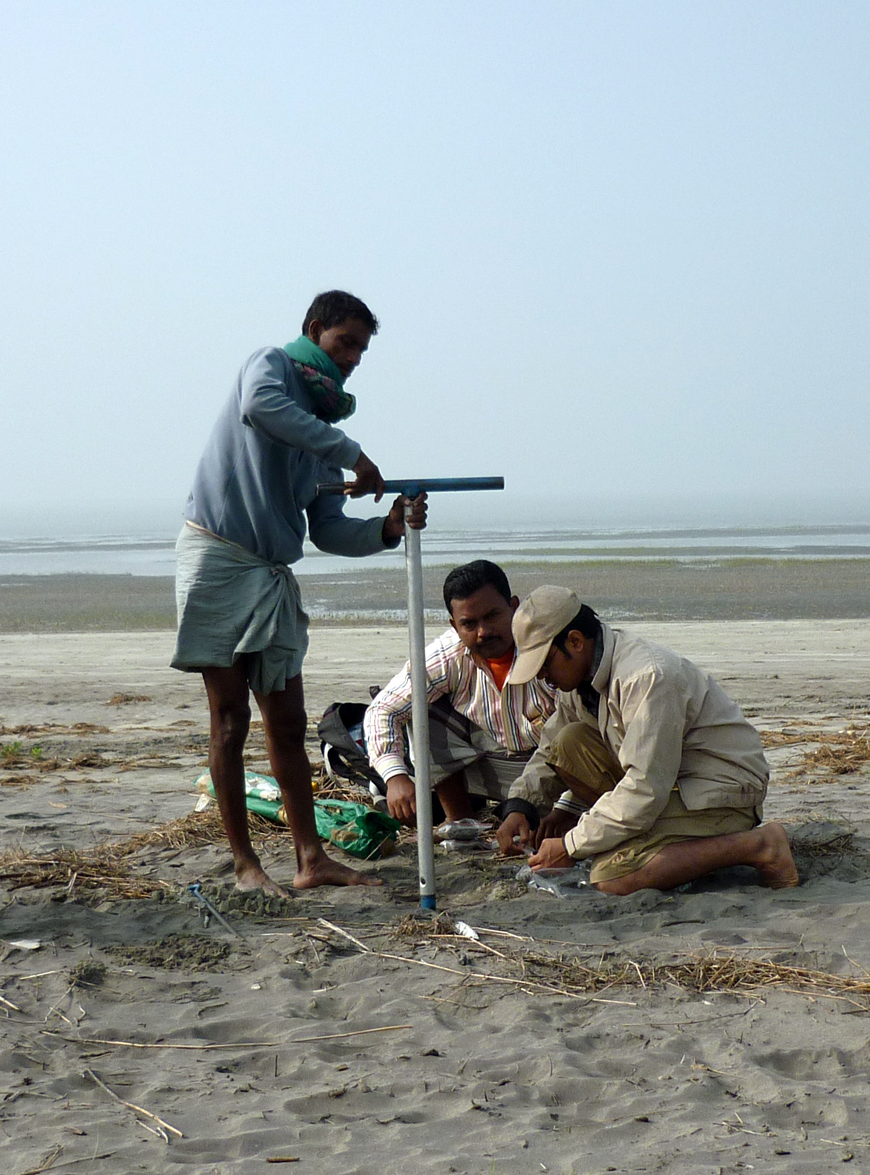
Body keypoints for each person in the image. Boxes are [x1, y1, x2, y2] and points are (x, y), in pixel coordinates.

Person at [172, 290, 425, 896]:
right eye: (345, 344)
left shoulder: (320, 430)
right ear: (315, 330)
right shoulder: (271, 368)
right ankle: (244, 865)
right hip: (216, 558)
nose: (353, 360)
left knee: (285, 723)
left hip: (270, 576)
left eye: (362, 350)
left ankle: (311, 858)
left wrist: (387, 531)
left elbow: (328, 529)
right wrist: (353, 453)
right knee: (230, 719)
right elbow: (262, 408)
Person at [494, 586, 798, 894]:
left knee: (611, 876)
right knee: (566, 742)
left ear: (575, 641)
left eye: (544, 663)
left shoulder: (645, 676)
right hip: (669, 783)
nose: (541, 676)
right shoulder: (579, 680)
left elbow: (645, 787)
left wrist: (572, 845)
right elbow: (549, 750)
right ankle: (644, 839)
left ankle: (759, 845)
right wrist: (520, 807)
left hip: (722, 790)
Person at [364, 560, 558, 826]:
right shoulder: (449, 654)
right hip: (489, 768)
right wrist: (395, 777)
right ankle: (459, 821)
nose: (483, 632)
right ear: (455, 625)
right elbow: (383, 708)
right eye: (469, 624)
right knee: (422, 706)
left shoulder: (548, 649)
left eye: (492, 616)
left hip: (551, 774)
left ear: (514, 607)